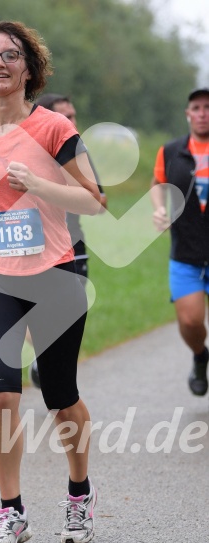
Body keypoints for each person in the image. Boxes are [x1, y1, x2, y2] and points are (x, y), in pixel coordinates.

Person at [0, 21, 101, 543]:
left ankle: (79, 495)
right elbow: (1, 204)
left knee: (61, 399)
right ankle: (10, 512)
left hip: (56, 276)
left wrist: (39, 183)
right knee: (1, 395)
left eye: (10, 56)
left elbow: (93, 199)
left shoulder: (54, 129)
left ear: (29, 69)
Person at [28, 94, 107, 388]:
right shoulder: (25, 153)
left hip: (72, 246)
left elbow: (98, 201)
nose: (74, 123)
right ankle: (43, 352)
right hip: (30, 246)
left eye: (74, 116)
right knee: (24, 313)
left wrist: (89, 198)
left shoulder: (78, 154)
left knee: (67, 314)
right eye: (67, 117)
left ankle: (49, 364)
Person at [151, 87, 209, 396]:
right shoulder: (171, 151)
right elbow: (157, 184)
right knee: (190, 321)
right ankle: (201, 356)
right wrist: (159, 209)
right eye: (196, 107)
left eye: (207, 107)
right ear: (188, 114)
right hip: (186, 255)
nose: (202, 113)